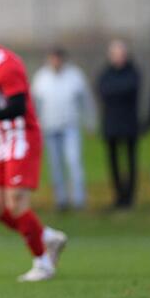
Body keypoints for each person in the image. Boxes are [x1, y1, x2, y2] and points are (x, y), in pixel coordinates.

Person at [0, 24, 68, 283]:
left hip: (22, 138)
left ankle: (42, 262)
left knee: (16, 204)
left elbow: (17, 107)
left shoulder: (7, 64)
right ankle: (47, 236)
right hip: (1, 140)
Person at [31, 47, 96, 211]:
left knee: (74, 162)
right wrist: (34, 126)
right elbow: (34, 104)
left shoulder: (75, 76)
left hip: (70, 126)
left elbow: (86, 101)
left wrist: (89, 122)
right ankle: (61, 200)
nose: (56, 62)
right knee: (55, 165)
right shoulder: (41, 78)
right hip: (50, 127)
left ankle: (79, 199)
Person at [96, 40, 140, 209]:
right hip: (112, 124)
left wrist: (115, 91)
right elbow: (103, 90)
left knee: (130, 161)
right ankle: (119, 195)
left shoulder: (133, 72)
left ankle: (130, 197)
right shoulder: (106, 73)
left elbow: (129, 88)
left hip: (129, 124)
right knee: (113, 162)